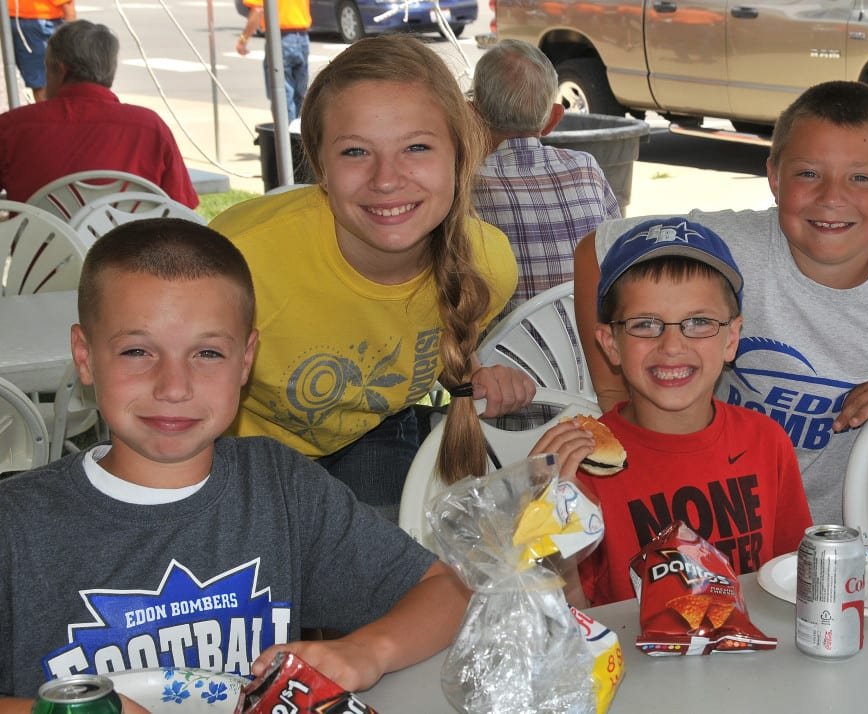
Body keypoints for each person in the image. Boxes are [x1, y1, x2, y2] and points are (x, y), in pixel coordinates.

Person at [0, 218, 470, 708]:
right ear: (85, 356)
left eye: (207, 353)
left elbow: (449, 593)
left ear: (245, 361)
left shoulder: (281, 489)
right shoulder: (15, 524)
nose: (174, 386)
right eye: (137, 351)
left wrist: (364, 651)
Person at [573, 81, 868, 526]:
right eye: (808, 174)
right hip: (713, 512)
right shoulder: (728, 244)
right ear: (774, 177)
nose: (831, 198)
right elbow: (596, 248)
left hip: (846, 531)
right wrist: (614, 397)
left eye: (861, 178)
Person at [210, 35, 535, 523]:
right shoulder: (241, 257)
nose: (386, 179)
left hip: (373, 436)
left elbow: (433, 344)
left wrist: (472, 374)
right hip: (236, 453)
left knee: (389, 566)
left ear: (460, 153)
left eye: (417, 147)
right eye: (356, 152)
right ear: (320, 164)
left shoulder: (487, 264)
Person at [533, 218, 812, 606]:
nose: (672, 345)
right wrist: (547, 518)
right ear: (610, 344)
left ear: (731, 339)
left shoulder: (766, 441)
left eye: (698, 322)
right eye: (645, 324)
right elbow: (577, 616)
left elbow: (794, 577)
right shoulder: (581, 467)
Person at [471, 38, 620, 320]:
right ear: (553, 119)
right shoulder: (585, 168)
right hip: (587, 353)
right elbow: (615, 252)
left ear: (471, 117)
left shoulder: (466, 183)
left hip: (502, 355)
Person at [0, 20, 198, 207]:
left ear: (60, 69)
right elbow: (181, 207)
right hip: (126, 243)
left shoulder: (12, 126)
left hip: (40, 242)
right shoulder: (150, 127)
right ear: (110, 69)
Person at [236, 0, 311, 124]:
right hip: (302, 37)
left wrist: (243, 39)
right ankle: (301, 137)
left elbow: (258, 10)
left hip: (280, 39)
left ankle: (289, 139)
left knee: (282, 97)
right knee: (300, 95)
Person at [8, 0, 75, 102]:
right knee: (46, 83)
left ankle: (52, 114)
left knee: (45, 83)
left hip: (35, 20)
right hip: (35, 20)